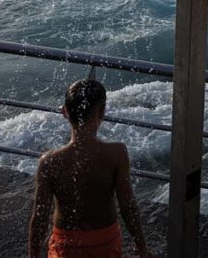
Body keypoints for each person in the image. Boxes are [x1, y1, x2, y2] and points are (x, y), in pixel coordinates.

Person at [28, 79, 153, 258]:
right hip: (105, 242)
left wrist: (33, 255)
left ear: (64, 112)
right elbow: (128, 206)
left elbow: (40, 217)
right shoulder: (116, 154)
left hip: (66, 245)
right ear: (102, 112)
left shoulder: (49, 161)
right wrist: (141, 247)